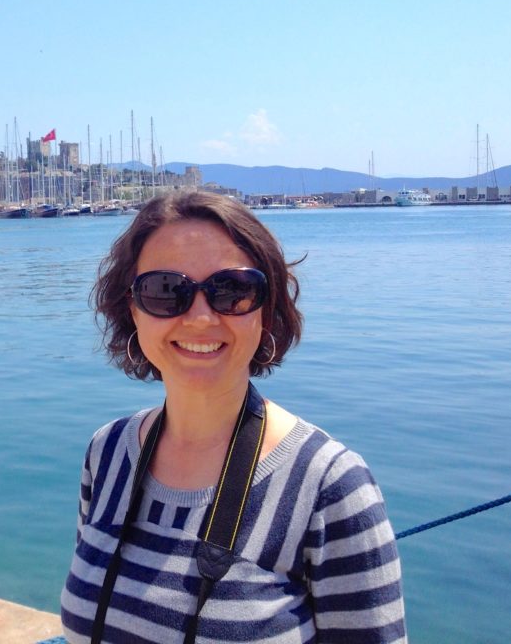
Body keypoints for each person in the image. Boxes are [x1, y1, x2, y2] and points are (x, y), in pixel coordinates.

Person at [60, 191, 406, 643]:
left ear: (266, 308)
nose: (201, 318)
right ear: (133, 308)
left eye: (232, 291)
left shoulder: (329, 486)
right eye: (166, 290)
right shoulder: (107, 454)